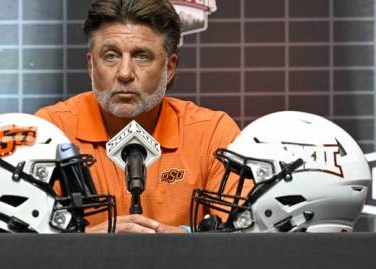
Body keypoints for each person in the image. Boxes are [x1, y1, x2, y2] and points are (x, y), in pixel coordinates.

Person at [35, 0, 240, 233]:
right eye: (111, 56)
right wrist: (90, 242)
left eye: (141, 56)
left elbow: (241, 238)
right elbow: (25, 246)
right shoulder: (51, 131)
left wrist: (180, 240)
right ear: (91, 66)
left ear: (169, 68)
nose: (124, 73)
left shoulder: (211, 133)